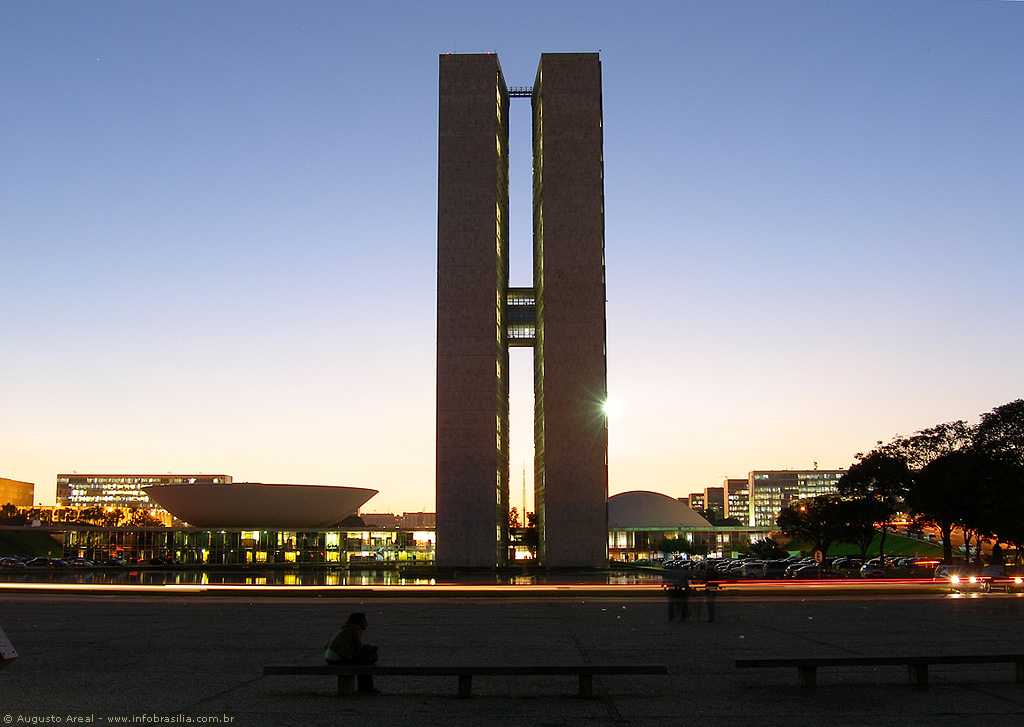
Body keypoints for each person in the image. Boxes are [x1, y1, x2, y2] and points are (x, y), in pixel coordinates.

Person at [325, 612, 379, 693]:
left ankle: (365, 687)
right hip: (338, 658)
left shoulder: (347, 627)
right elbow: (359, 646)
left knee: (365, 657)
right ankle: (366, 687)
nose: (366, 624)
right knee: (367, 660)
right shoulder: (355, 629)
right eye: (365, 622)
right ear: (360, 622)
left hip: (331, 657)